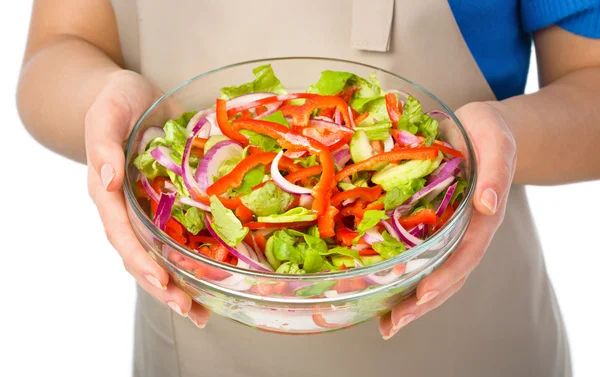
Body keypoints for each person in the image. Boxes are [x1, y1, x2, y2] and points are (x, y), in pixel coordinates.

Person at [17, 1, 600, 376]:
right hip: (198, 338)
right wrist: (104, 102)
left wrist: (498, 138)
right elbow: (61, 44)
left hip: (467, 336)